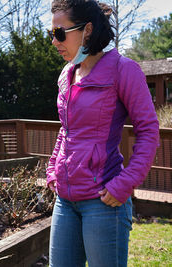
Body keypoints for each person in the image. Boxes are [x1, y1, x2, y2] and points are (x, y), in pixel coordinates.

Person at [45, 0, 159, 266]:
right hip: (65, 202)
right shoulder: (67, 74)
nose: (54, 41)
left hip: (103, 203)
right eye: (51, 34)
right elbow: (67, 129)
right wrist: (53, 168)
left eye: (60, 33)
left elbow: (148, 130)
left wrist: (125, 183)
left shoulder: (123, 70)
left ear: (87, 30)